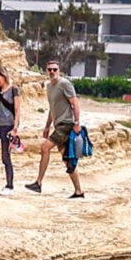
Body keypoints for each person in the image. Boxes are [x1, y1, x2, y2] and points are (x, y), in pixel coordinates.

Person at [27, 60, 84, 198]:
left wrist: (77, 123)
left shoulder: (64, 84)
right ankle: (79, 191)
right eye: (49, 69)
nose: (52, 72)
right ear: (46, 71)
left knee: (45, 147)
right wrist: (47, 126)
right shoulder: (49, 87)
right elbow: (52, 109)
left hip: (67, 124)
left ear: (59, 70)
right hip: (58, 124)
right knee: (67, 159)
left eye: (54, 69)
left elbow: (75, 103)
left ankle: (38, 183)